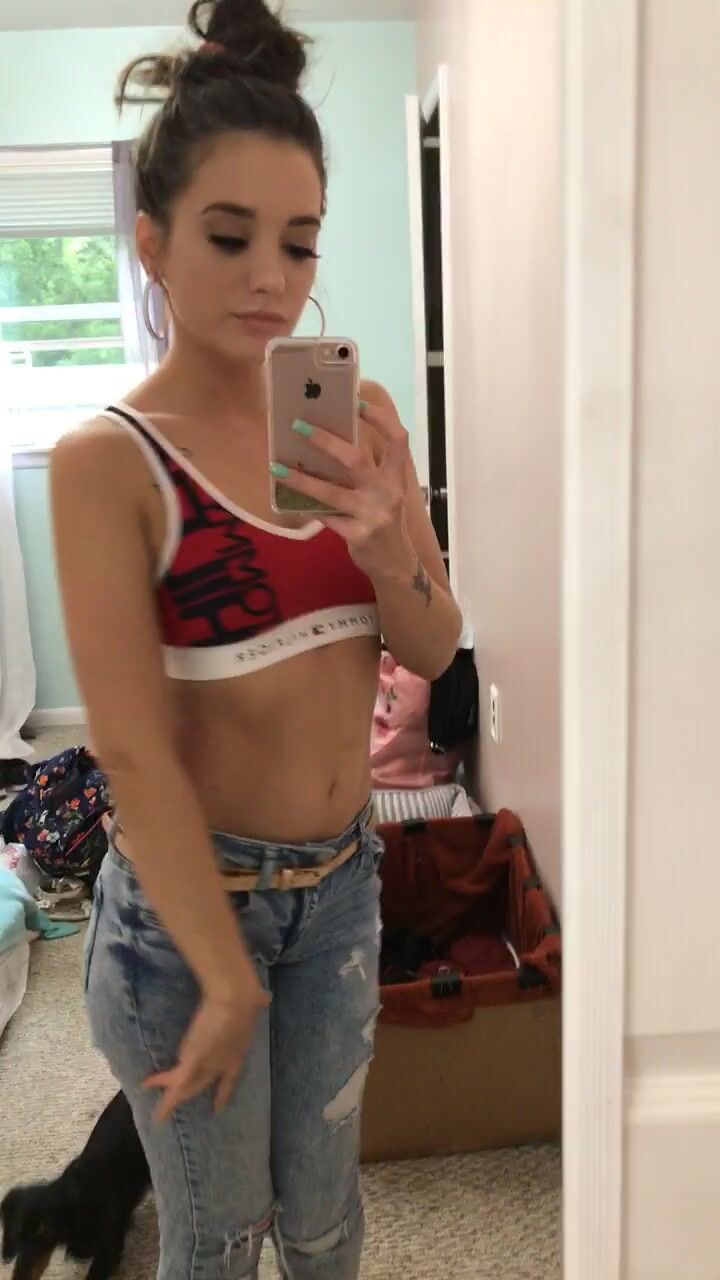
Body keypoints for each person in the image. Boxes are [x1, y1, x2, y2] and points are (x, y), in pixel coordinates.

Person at [50, 2, 462, 1277]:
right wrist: (224, 978)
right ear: (153, 242)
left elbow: (435, 648)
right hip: (188, 923)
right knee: (220, 1235)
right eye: (230, 237)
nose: (273, 278)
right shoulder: (108, 460)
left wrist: (389, 542)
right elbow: (129, 748)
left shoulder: (363, 416)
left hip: (341, 892)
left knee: (328, 1219)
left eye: (300, 240)